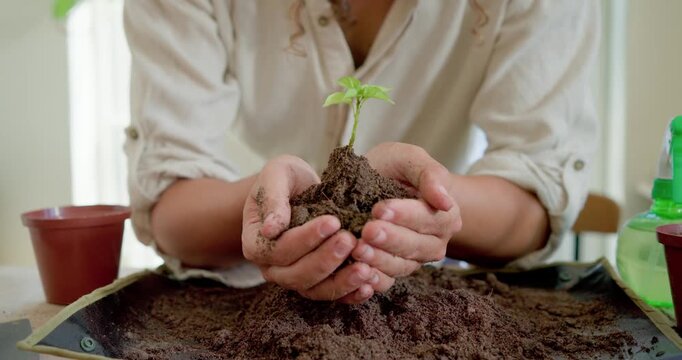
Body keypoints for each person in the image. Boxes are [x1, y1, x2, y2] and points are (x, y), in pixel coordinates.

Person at [123, 0, 598, 304]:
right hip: (249, 292)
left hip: (427, 289)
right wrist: (272, 204)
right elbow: (170, 203)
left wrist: (424, 202)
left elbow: (535, 198)